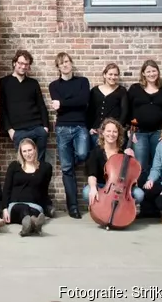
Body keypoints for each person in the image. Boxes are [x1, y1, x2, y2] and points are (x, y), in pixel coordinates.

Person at [127, 59, 162, 216]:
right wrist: (128, 131)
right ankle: (145, 207)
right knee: (141, 168)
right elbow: (127, 110)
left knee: (157, 167)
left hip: (158, 134)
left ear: (157, 72)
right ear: (143, 73)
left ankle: (157, 206)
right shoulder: (135, 89)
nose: (152, 73)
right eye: (149, 71)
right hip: (139, 133)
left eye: (154, 70)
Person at [48, 52, 90, 219]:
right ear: (58, 67)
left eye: (66, 61)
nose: (65, 65)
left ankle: (69, 163)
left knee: (82, 154)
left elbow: (83, 101)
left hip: (80, 125)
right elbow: (60, 106)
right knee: (67, 169)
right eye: (61, 63)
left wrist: (64, 103)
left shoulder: (83, 82)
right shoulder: (53, 85)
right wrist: (73, 102)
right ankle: (73, 207)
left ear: (71, 63)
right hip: (63, 128)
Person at [0, 49, 50, 161]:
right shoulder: (4, 83)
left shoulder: (33, 83)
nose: (23, 66)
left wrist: (45, 127)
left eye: (26, 64)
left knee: (39, 161)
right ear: (14, 63)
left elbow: (41, 105)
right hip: (18, 130)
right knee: (23, 162)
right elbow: (2, 108)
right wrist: (10, 130)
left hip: (37, 127)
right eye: (20, 63)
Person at [83, 118, 144, 207]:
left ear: (118, 134)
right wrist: (93, 188)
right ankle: (105, 208)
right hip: (102, 186)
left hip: (120, 188)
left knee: (139, 194)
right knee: (86, 192)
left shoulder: (124, 153)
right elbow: (92, 175)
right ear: (103, 133)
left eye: (115, 131)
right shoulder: (95, 153)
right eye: (108, 131)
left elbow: (132, 176)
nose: (111, 134)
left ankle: (119, 209)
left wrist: (132, 159)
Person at [0, 138, 51, 237]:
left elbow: (44, 190)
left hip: (35, 206)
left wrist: (46, 208)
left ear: (35, 149)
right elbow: (6, 188)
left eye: (30, 150)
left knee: (33, 211)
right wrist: (4, 209)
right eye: (24, 151)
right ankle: (32, 224)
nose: (28, 154)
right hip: (15, 205)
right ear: (21, 153)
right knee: (24, 209)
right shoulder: (14, 166)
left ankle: (29, 226)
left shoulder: (45, 167)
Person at [86, 63, 128, 150]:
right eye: (110, 74)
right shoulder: (95, 91)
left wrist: (117, 129)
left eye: (115, 75)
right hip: (97, 132)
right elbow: (90, 111)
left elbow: (124, 112)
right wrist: (90, 127)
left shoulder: (122, 91)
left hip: (113, 134)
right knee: (97, 158)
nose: (113, 77)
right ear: (104, 75)